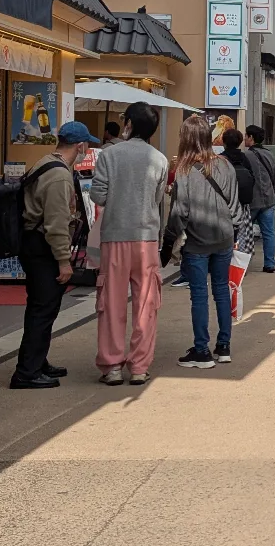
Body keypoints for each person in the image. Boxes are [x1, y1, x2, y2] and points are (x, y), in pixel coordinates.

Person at [11, 121, 99, 390]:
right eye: (86, 146)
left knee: (40, 307)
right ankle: (27, 372)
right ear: (80, 146)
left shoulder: (45, 162)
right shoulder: (60, 176)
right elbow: (57, 223)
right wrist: (64, 261)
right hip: (43, 248)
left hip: (33, 242)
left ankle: (36, 361)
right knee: (43, 309)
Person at [89, 104, 169, 386]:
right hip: (147, 239)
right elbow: (158, 197)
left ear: (129, 124)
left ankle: (111, 365)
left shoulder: (109, 155)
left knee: (111, 302)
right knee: (147, 303)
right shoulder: (159, 159)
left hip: (115, 236)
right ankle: (139, 366)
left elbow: (97, 195)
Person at [166, 113, 240, 368]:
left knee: (199, 295)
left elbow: (180, 212)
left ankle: (201, 350)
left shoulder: (184, 171)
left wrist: (171, 239)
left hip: (197, 242)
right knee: (221, 290)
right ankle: (224, 346)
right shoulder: (225, 165)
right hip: (224, 238)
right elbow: (234, 204)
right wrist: (236, 233)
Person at [244, 125, 275, 273]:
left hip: (252, 200)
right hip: (269, 198)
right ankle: (269, 264)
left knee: (245, 232)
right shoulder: (270, 155)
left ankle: (243, 264)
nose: (244, 138)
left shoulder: (246, 156)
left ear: (251, 138)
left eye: (246, 136)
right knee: (269, 233)